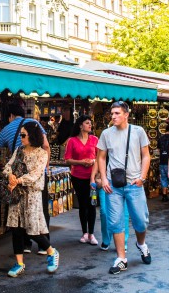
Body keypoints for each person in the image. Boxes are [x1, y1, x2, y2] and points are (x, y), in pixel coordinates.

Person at [0, 103, 50, 251]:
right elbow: (46, 146)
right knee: (39, 212)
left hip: (20, 181)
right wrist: (46, 167)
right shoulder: (34, 123)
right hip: (35, 178)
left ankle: (29, 245)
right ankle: (43, 246)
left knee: (23, 215)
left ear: (10, 116)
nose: (21, 137)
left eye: (23, 136)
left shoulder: (7, 129)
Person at [96, 101, 152, 274]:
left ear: (126, 114)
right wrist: (104, 179)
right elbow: (101, 158)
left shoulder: (138, 131)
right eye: (112, 113)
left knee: (141, 221)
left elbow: (146, 155)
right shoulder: (106, 133)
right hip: (114, 185)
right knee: (115, 221)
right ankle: (121, 258)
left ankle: (141, 244)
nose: (113, 116)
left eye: (117, 113)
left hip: (134, 183)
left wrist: (142, 177)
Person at [3, 121, 59, 277]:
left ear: (32, 136)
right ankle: (19, 263)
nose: (21, 137)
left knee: (33, 230)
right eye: (20, 135)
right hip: (16, 194)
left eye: (23, 135)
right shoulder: (18, 150)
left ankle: (51, 252)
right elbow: (8, 165)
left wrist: (18, 180)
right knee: (16, 229)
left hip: (32, 195)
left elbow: (35, 175)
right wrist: (10, 175)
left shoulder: (42, 153)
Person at [64, 115, 99, 246]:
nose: (90, 125)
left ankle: (91, 233)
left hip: (92, 177)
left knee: (92, 204)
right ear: (80, 125)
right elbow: (67, 159)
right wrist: (81, 162)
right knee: (83, 204)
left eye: (90, 123)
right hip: (77, 176)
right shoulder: (72, 141)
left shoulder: (95, 139)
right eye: (87, 123)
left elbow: (101, 157)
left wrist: (92, 161)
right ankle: (84, 232)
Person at [90, 158, 129, 253]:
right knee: (104, 212)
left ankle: (123, 242)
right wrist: (92, 178)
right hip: (106, 183)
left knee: (124, 214)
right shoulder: (106, 143)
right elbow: (98, 158)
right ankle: (106, 240)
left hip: (124, 181)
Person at [157, 123, 169, 202]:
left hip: (162, 160)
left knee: (163, 178)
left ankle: (164, 195)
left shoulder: (161, 138)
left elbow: (158, 150)